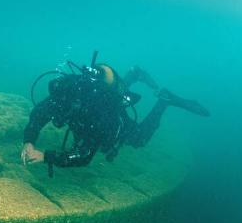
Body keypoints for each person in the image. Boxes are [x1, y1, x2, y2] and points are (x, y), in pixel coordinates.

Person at [20, 54, 209, 176]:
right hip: (99, 103)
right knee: (106, 95)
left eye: (59, 111)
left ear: (74, 106)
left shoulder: (96, 116)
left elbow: (83, 156)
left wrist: (46, 156)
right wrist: (29, 141)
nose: (55, 116)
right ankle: (133, 75)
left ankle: (164, 100)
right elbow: (39, 115)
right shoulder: (66, 93)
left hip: (112, 120)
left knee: (139, 139)